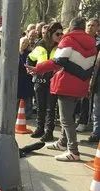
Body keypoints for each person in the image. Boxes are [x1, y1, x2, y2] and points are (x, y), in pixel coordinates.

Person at [26, 17, 97, 161]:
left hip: (66, 84)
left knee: (65, 119)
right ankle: (63, 142)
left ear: (71, 27)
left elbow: (57, 61)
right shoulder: (92, 44)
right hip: (81, 85)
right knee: (69, 116)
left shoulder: (68, 40)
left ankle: (73, 151)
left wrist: (38, 68)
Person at [26, 22, 63, 142]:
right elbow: (30, 58)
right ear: (51, 33)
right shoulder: (39, 44)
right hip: (39, 80)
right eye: (58, 33)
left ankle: (49, 132)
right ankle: (40, 129)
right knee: (40, 106)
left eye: (62, 33)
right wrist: (31, 70)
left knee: (50, 108)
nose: (60, 35)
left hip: (54, 81)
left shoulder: (61, 46)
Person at [77, 18, 100, 134]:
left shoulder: (98, 43)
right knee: (81, 98)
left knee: (89, 99)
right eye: (88, 25)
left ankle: (84, 121)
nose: (90, 27)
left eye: (93, 25)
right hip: (80, 71)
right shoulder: (80, 40)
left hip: (94, 73)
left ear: (98, 28)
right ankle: (81, 119)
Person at [18, 37, 34, 119]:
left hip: (27, 77)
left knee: (28, 96)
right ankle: (17, 113)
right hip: (18, 77)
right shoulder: (16, 52)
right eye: (23, 42)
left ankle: (28, 114)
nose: (24, 44)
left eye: (26, 43)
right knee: (18, 96)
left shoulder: (29, 53)